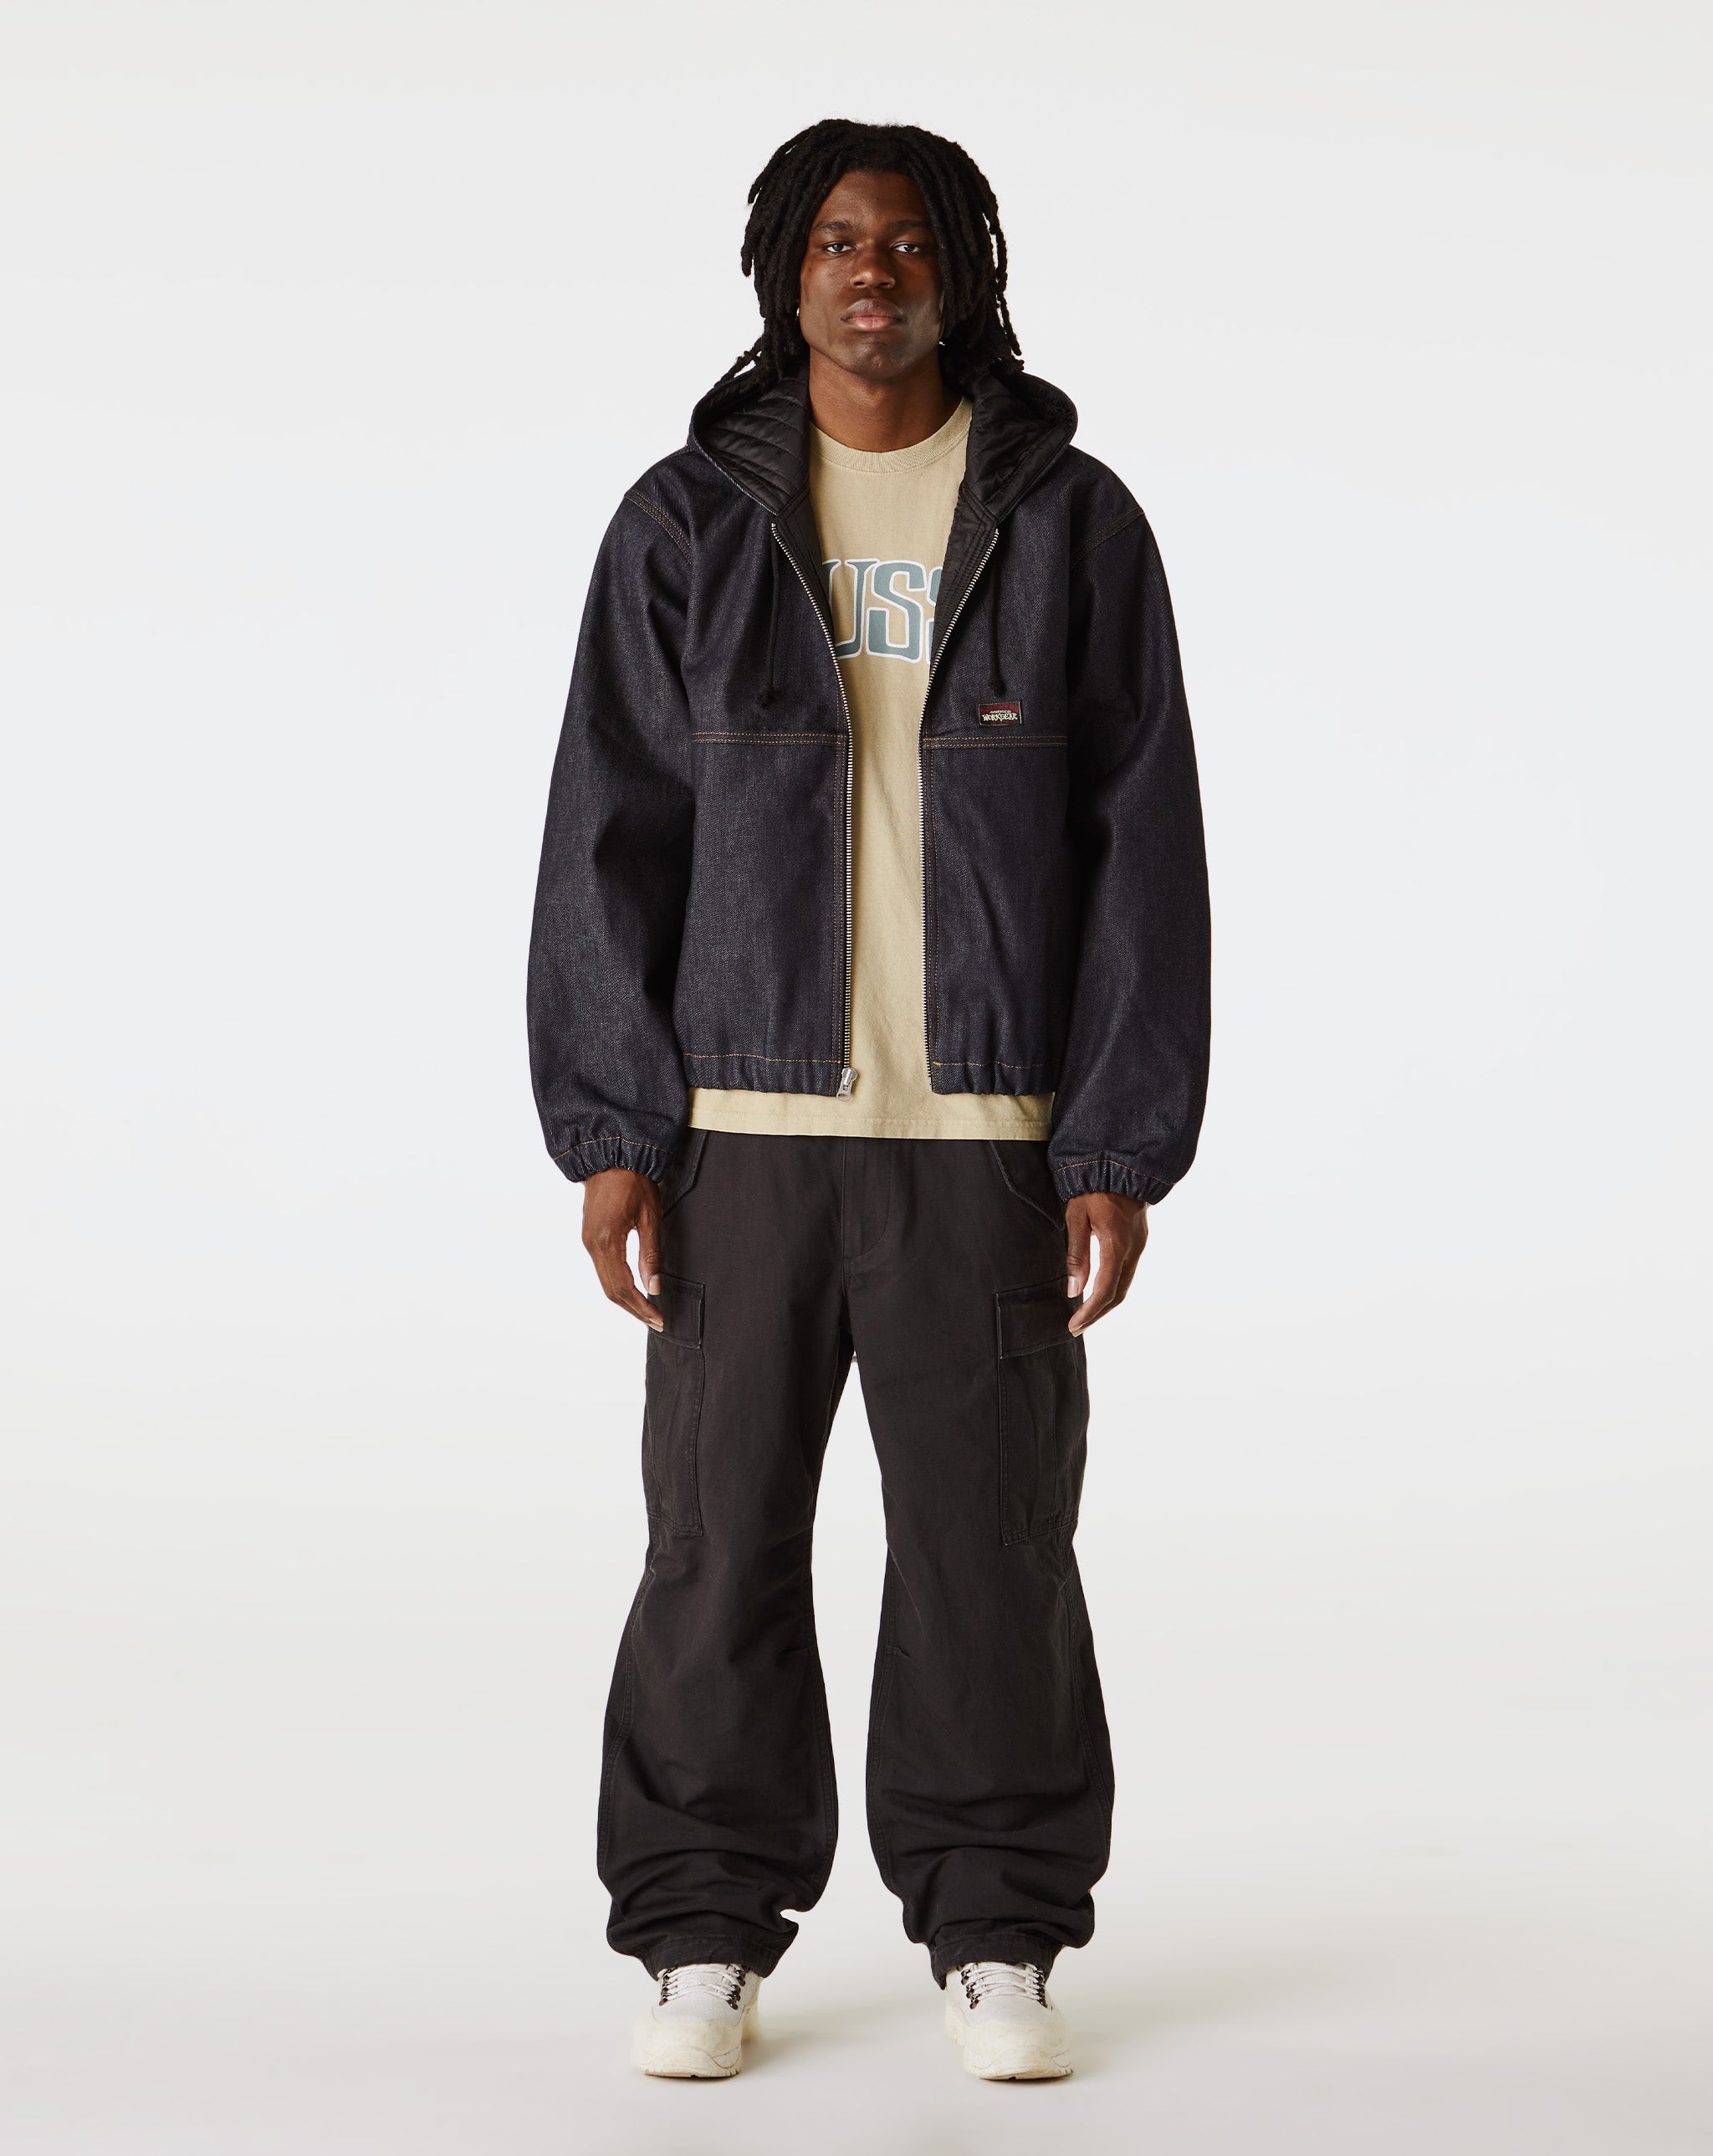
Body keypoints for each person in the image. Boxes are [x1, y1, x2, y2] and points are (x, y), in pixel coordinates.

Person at [527, 117, 1210, 2082]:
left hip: (984, 1137)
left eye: (907, 244)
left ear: (959, 273)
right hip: (736, 1136)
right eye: (836, 242)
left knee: (990, 1555)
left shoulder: (1069, 520)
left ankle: (996, 1930)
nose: (871, 274)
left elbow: (1140, 851)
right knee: (714, 1550)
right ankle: (699, 1931)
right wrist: (612, 1130)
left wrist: (1114, 1142)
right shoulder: (686, 521)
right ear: (784, 271)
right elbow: (609, 833)